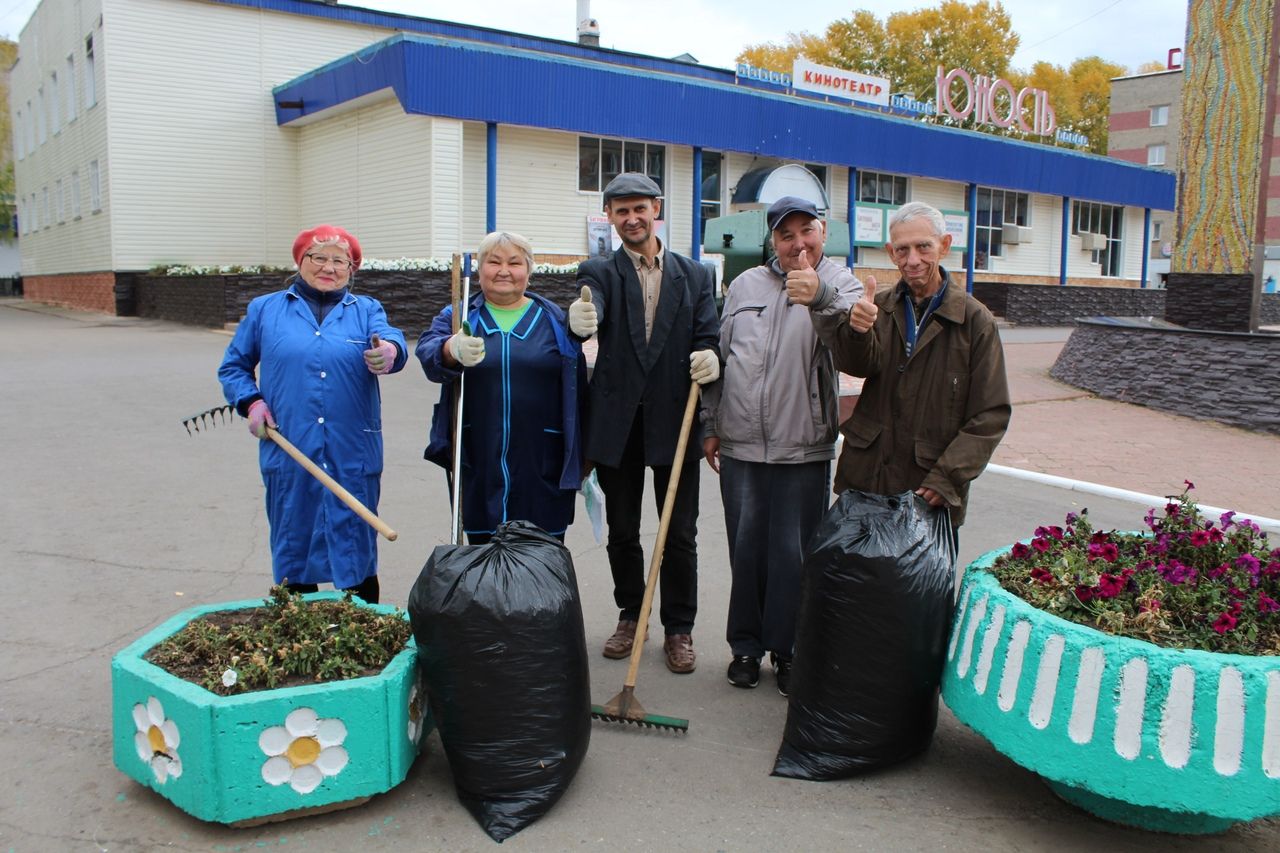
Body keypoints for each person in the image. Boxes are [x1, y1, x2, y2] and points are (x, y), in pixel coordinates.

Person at [701, 196, 861, 695]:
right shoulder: (745, 285)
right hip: (742, 443)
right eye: (785, 235)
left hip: (803, 445)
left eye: (806, 232)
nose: (797, 245)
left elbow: (855, 349)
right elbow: (722, 358)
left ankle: (789, 650)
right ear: (772, 240)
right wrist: (712, 421)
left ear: (823, 233)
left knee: (794, 556)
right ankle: (745, 648)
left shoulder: (843, 283)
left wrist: (819, 297)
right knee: (745, 550)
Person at [568, 172, 720, 674]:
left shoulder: (695, 275)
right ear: (609, 217)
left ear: (657, 208)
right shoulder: (598, 271)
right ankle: (632, 615)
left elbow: (707, 333)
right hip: (618, 425)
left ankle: (679, 628)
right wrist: (583, 317)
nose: (631, 219)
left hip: (676, 422)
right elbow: (595, 303)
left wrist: (710, 356)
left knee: (680, 533)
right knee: (622, 530)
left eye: (640, 208)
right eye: (620, 211)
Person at [219, 224, 408, 603]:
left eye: (340, 260)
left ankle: (362, 635)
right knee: (294, 541)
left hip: (352, 450)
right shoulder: (265, 310)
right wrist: (251, 402)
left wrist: (389, 351)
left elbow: (391, 339)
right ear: (300, 261)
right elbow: (234, 367)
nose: (329, 267)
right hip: (291, 446)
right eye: (318, 257)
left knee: (354, 544)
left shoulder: (366, 309)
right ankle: (299, 641)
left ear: (351, 269)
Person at [813, 201, 1010, 539]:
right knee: (856, 586)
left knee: (919, 589)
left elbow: (989, 415)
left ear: (945, 246)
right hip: (867, 482)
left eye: (923, 247)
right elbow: (859, 365)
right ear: (891, 253)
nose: (913, 259)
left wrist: (947, 477)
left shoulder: (975, 322)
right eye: (902, 249)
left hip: (928, 490)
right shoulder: (878, 306)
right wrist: (857, 331)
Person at [418, 231, 587, 543]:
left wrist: (584, 455)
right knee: (485, 563)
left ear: (529, 270)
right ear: (480, 269)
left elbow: (579, 390)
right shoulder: (460, 315)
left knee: (541, 561)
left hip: (542, 463)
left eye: (514, 262)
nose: (504, 270)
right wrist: (450, 348)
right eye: (493, 262)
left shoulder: (553, 319)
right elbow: (428, 352)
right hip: (480, 458)